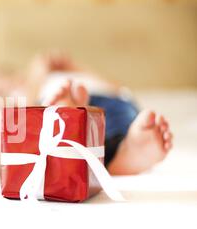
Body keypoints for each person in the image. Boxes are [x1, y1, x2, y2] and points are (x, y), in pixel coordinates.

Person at [26, 51, 174, 175]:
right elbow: (26, 111)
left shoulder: (88, 77)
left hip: (109, 99)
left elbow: (119, 88)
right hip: (68, 99)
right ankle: (117, 150)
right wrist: (37, 75)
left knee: (119, 118)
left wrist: (74, 66)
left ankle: (128, 149)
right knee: (54, 110)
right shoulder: (36, 84)